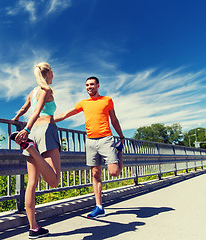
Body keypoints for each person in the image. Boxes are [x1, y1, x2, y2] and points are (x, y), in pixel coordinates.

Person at [54, 76, 124, 219]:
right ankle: (99, 207)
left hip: (106, 139)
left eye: (92, 84)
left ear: (98, 86)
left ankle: (119, 151)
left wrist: (121, 136)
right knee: (95, 174)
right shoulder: (83, 103)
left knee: (114, 172)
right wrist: (44, 119)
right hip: (90, 141)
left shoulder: (107, 100)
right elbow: (65, 114)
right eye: (87, 85)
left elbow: (114, 119)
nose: (89, 87)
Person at [12, 62, 61, 239]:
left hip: (32, 133)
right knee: (54, 181)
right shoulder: (46, 90)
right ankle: (32, 150)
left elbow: (26, 108)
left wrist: (16, 118)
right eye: (52, 72)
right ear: (49, 73)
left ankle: (33, 228)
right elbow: (38, 110)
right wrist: (26, 130)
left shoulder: (33, 91)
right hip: (45, 130)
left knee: (31, 184)